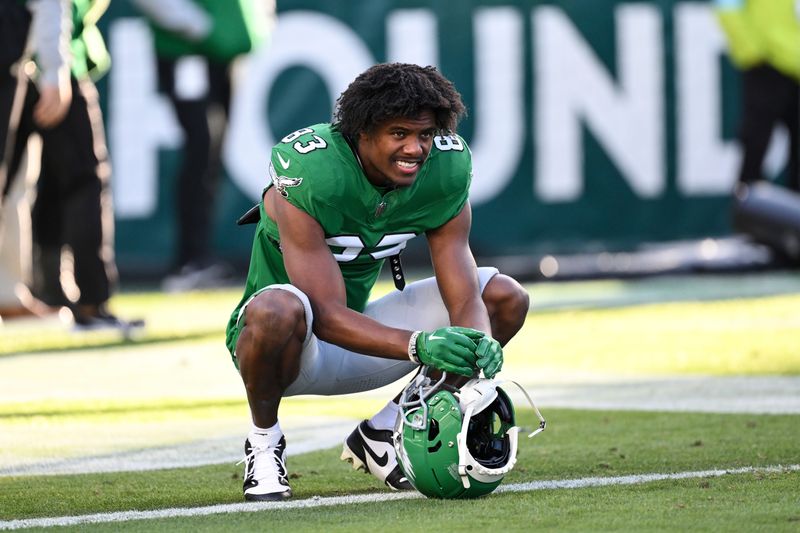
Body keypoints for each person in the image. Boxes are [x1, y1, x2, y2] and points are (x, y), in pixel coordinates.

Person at [225, 63, 530, 501]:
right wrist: (419, 344)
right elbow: (325, 314)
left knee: (503, 298)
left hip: (364, 333)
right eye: (400, 133)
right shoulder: (314, 173)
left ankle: (389, 428)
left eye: (424, 135)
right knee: (279, 309)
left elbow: (465, 298)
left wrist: (476, 349)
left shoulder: (443, 171)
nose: (416, 149)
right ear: (362, 132)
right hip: (288, 346)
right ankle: (264, 443)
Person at [1, 0, 142, 331]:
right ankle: (90, 301)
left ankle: (41, 291)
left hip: (22, 56)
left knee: (33, 184)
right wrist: (55, 66)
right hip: (37, 58)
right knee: (84, 181)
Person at [131, 0, 274, 292]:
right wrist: (203, 27)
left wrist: (255, 20)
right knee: (200, 148)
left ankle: (199, 257)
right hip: (187, 52)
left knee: (211, 153)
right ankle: (188, 260)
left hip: (222, 55)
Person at [715, 0, 800, 192]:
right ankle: (746, 215)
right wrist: (753, 54)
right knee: (755, 145)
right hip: (766, 67)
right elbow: (726, 7)